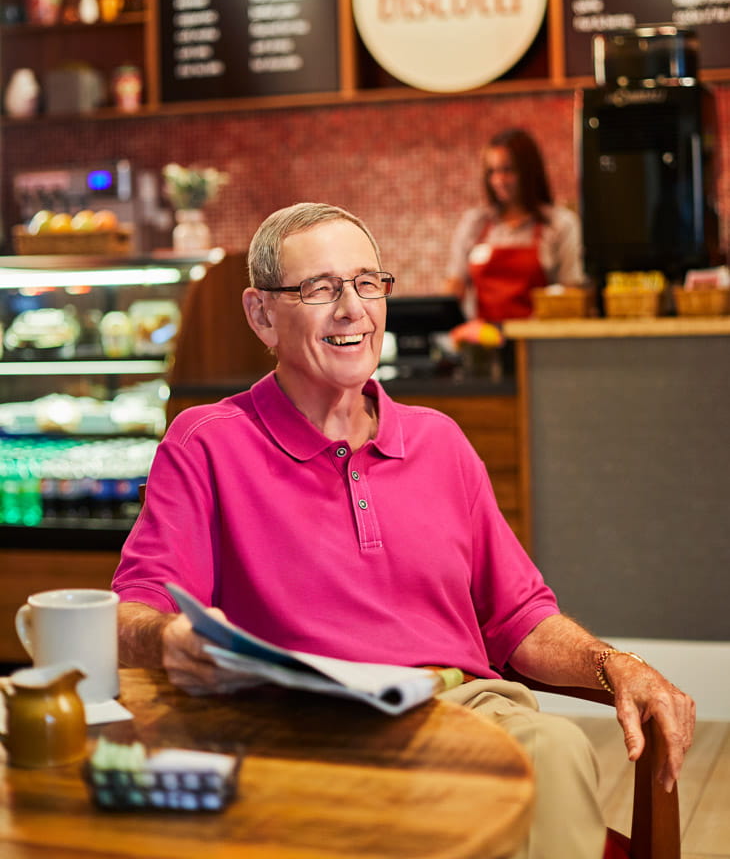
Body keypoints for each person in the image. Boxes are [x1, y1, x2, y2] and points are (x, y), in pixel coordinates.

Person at [113, 202, 694, 859]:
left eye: (367, 283)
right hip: (305, 737)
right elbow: (135, 612)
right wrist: (168, 639)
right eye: (319, 288)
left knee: (553, 748)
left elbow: (522, 618)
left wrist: (615, 663)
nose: (351, 309)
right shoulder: (206, 443)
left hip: (465, 715)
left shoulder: (438, 440)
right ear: (261, 315)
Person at [444, 128, 586, 323]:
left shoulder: (560, 224)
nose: (498, 180)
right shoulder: (474, 224)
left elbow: (571, 291)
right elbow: (455, 286)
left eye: (507, 170)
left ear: (529, 170)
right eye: (492, 171)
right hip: (483, 345)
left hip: (537, 344)